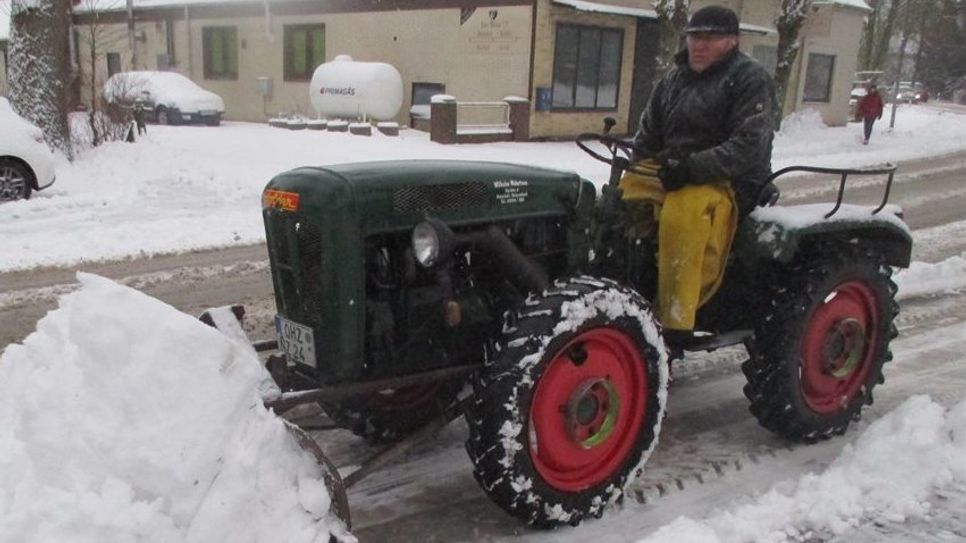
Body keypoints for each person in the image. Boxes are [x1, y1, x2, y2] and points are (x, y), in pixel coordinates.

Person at [620, 5, 778, 345]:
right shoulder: (673, 80)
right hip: (677, 172)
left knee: (683, 214)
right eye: (694, 37)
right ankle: (627, 287)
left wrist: (693, 168)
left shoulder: (750, 79)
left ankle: (675, 320)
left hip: (733, 181)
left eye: (709, 38)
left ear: (732, 42)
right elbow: (648, 135)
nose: (698, 46)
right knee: (619, 202)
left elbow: (749, 145)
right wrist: (639, 166)